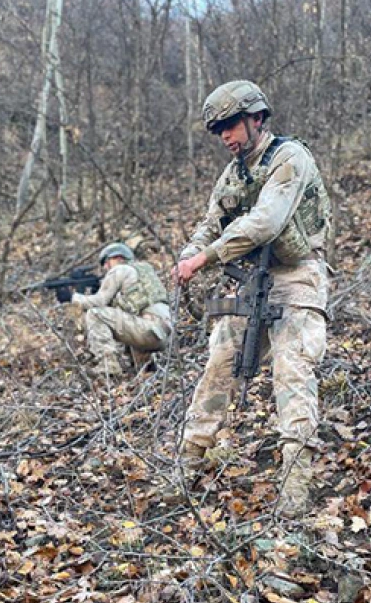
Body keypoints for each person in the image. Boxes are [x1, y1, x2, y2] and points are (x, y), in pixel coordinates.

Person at [173, 80, 332, 517]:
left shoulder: (289, 157)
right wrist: (189, 254)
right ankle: (186, 464)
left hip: (299, 275)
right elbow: (211, 220)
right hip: (253, 278)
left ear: (256, 118)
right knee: (219, 361)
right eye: (218, 129)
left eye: (230, 126)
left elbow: (267, 220)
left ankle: (295, 488)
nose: (225, 136)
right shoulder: (234, 172)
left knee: (292, 371)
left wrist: (207, 256)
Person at [57, 243, 172, 377]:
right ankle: (145, 366)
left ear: (118, 258)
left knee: (95, 315)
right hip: (163, 335)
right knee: (123, 317)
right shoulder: (143, 271)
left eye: (106, 262)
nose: (105, 268)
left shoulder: (120, 269)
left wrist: (72, 297)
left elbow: (99, 302)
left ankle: (108, 366)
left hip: (147, 329)